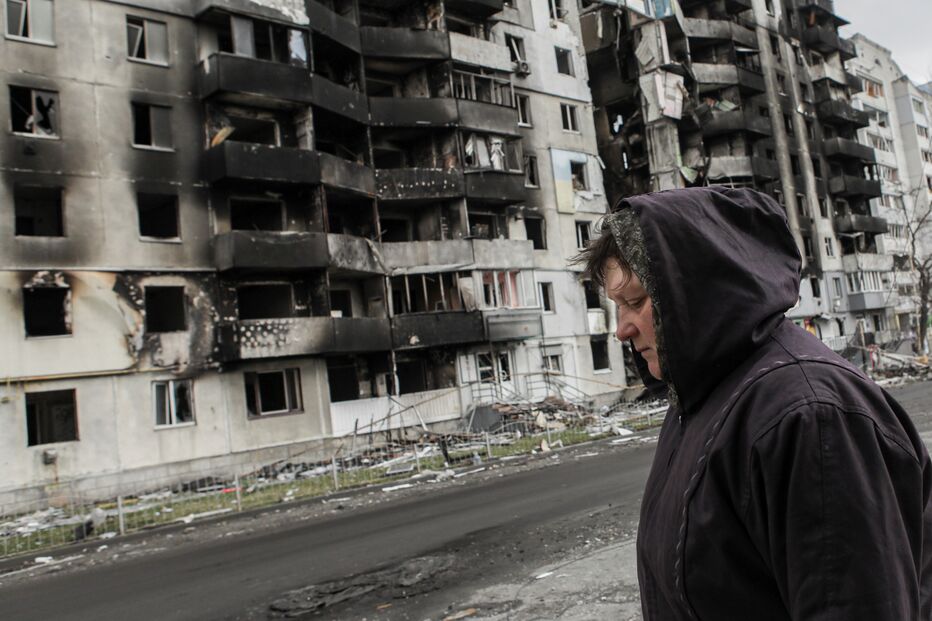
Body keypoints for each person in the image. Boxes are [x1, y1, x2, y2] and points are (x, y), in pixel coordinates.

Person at [574, 186, 932, 620]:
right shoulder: (702, 395)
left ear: (697, 288)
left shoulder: (809, 415)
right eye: (618, 306)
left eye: (635, 302)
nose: (622, 330)